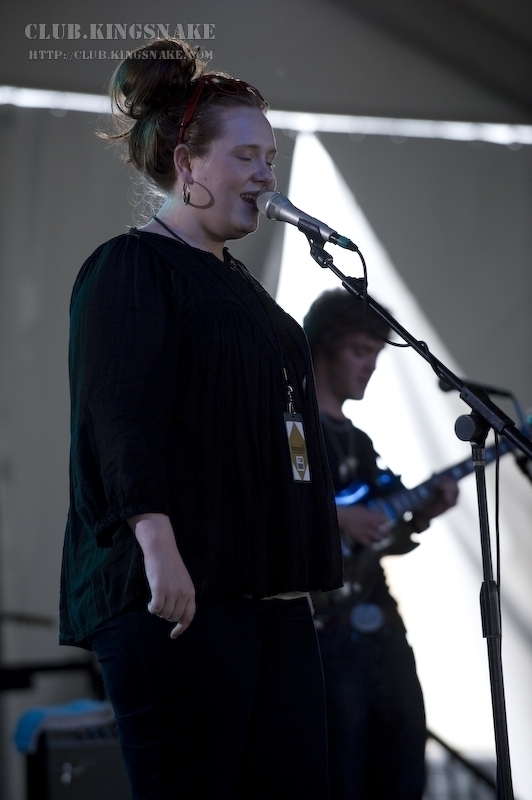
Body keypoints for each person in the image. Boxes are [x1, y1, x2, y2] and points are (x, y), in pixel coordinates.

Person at [59, 38, 343, 800]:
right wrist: (158, 545)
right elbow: (119, 417)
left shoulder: (241, 287)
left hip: (263, 598)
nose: (265, 174)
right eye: (246, 156)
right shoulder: (132, 268)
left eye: (270, 158)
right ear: (187, 164)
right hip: (178, 599)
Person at [303, 288, 459, 800]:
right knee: (344, 773)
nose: (371, 365)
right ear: (323, 348)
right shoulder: (291, 430)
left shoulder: (360, 441)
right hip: (325, 632)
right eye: (360, 350)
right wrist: (339, 515)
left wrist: (423, 513)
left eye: (376, 352)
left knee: (404, 762)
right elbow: (267, 507)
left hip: (379, 623)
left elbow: (379, 536)